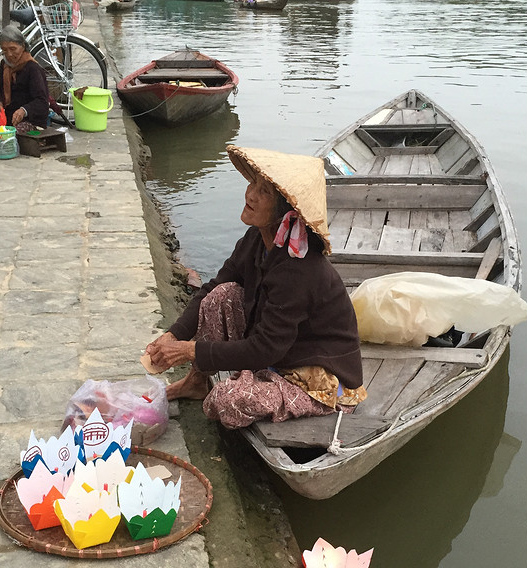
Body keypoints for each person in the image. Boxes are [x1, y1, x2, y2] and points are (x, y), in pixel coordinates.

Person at [144, 145, 367, 430]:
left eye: (264, 192)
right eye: (253, 184)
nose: (250, 195)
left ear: (287, 210)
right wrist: (173, 335)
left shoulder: (299, 269)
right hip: (281, 354)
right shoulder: (254, 240)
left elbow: (264, 348)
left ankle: (270, 388)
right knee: (219, 297)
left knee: (227, 399)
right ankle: (196, 382)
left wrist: (190, 350)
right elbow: (214, 286)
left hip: (319, 380)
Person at [0, 24, 49, 128]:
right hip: (9, 119)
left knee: (18, 134)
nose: (9, 54)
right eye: (4, 50)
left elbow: (42, 102)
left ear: (23, 46)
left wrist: (24, 110)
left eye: (13, 49)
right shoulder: (4, 65)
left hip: (32, 121)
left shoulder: (32, 69)